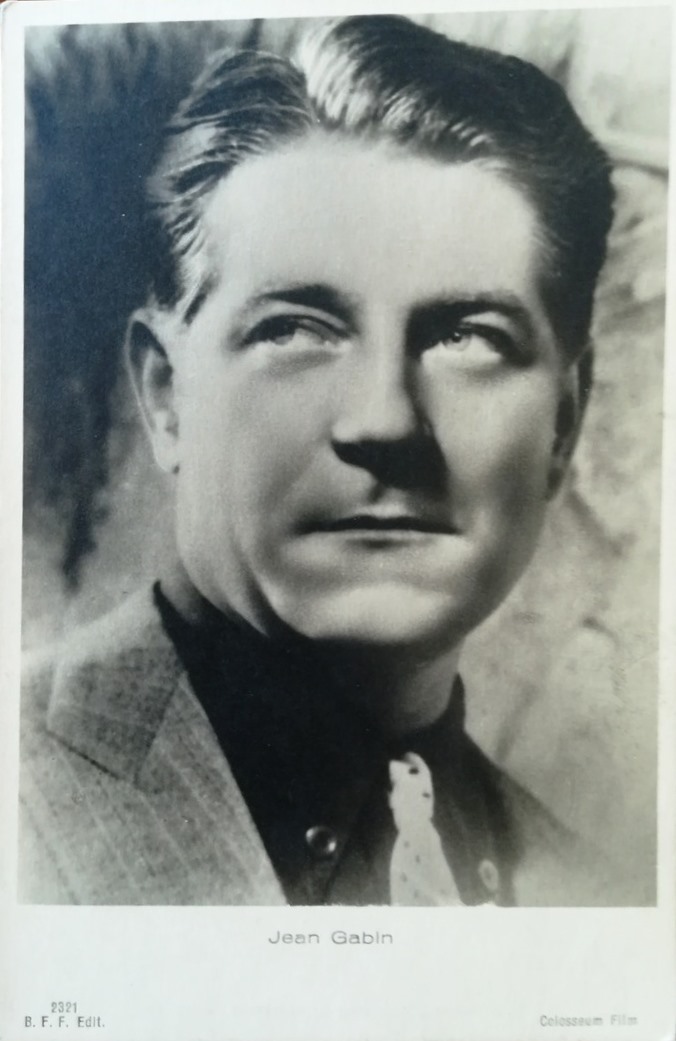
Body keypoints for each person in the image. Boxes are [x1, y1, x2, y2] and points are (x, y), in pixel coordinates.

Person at [19, 14, 638, 906]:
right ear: (166, 394)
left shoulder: (600, 901)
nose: (386, 420)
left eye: (467, 336)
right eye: (296, 329)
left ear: (565, 425)